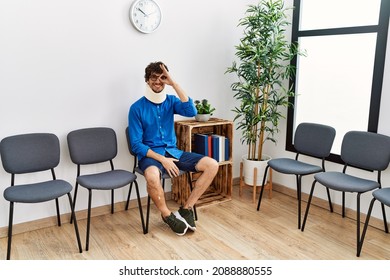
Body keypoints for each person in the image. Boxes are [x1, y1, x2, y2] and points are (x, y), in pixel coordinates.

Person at [128, 61, 219, 236]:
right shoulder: (136, 108)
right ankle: (167, 215)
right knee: (153, 176)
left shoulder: (171, 101)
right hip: (152, 156)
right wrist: (162, 160)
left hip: (174, 152)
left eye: (162, 78)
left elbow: (191, 110)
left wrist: (174, 83)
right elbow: (136, 144)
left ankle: (186, 208)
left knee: (212, 164)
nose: (158, 81)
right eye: (154, 78)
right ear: (147, 80)